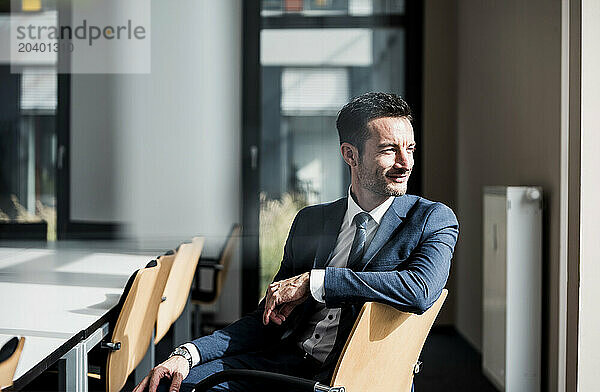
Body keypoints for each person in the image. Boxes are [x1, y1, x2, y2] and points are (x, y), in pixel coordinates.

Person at [134, 92, 459, 392]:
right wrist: (187, 354)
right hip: (287, 363)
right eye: (390, 150)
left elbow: (419, 290)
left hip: (354, 380)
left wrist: (314, 282)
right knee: (165, 385)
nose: (406, 163)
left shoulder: (431, 219)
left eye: (410, 149)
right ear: (350, 154)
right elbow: (267, 320)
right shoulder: (311, 220)